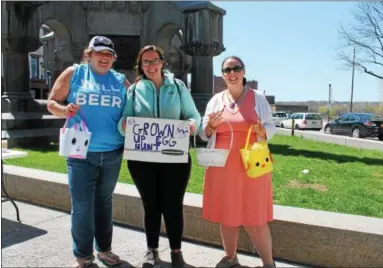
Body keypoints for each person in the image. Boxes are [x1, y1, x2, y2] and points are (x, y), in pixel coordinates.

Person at [47, 36, 131, 268]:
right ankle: (83, 256)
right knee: (82, 205)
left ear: (113, 58)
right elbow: (51, 102)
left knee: (104, 202)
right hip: (80, 151)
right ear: (89, 54)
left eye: (108, 54)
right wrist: (64, 110)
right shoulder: (75, 73)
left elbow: (134, 108)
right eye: (99, 53)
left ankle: (104, 249)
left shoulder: (120, 80)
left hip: (113, 151)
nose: (104, 58)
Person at [118, 45, 201, 268]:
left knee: (173, 206)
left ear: (162, 62)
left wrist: (193, 124)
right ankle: (151, 250)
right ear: (140, 66)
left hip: (175, 158)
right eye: (146, 62)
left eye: (154, 61)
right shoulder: (134, 90)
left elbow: (193, 114)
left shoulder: (178, 86)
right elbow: (123, 121)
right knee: (151, 206)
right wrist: (124, 124)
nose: (151, 66)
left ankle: (176, 251)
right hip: (142, 161)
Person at [199, 56, 277, 268]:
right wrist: (210, 127)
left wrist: (264, 131)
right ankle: (230, 257)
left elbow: (272, 126)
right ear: (222, 75)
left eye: (236, 68)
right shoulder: (216, 100)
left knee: (255, 218)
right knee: (227, 214)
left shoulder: (257, 98)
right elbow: (204, 134)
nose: (232, 73)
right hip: (222, 167)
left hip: (253, 166)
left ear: (243, 71)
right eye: (227, 70)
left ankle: (269, 264)